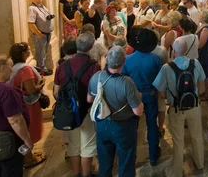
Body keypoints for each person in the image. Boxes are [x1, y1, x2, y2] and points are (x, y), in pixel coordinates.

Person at [87, 46, 144, 177]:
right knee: (126, 163)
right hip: (123, 127)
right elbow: (138, 112)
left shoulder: (96, 77)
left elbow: (89, 99)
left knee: (104, 163)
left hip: (102, 124)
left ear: (107, 60)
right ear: (123, 62)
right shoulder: (126, 82)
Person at [153, 38, 206, 177]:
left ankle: (175, 171)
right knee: (197, 136)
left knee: (178, 141)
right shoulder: (196, 63)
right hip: (194, 107)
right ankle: (200, 162)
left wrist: (169, 98)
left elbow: (161, 92)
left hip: (176, 109)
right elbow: (201, 88)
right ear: (187, 49)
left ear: (174, 51)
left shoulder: (166, 68)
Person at [54, 32, 101, 177]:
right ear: (91, 46)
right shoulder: (94, 66)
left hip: (69, 111)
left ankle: (76, 173)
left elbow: (56, 93)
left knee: (74, 145)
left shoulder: (62, 66)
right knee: (88, 143)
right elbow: (97, 93)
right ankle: (87, 173)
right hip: (86, 111)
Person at [122, 29, 163, 166]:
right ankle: (153, 155)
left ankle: (132, 157)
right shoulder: (156, 59)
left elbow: (124, 80)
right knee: (152, 125)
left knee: (132, 127)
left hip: (134, 95)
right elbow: (159, 79)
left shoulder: (127, 60)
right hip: (150, 94)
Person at [8, 43, 46, 168]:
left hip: (19, 102)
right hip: (28, 105)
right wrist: (41, 84)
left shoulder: (13, 68)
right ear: (24, 54)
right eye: (28, 50)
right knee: (29, 130)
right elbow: (31, 89)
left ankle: (26, 156)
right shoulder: (26, 70)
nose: (30, 51)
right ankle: (28, 159)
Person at [27, 0, 54, 76]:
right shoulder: (32, 8)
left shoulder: (42, 6)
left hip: (47, 34)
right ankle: (41, 70)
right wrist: (38, 33)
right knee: (40, 53)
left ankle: (44, 68)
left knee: (44, 52)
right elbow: (30, 23)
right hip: (41, 35)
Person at [197, 11, 208, 100]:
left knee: (205, 74)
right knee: (204, 73)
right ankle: (205, 91)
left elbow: (201, 44)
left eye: (200, 15)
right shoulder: (204, 27)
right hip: (203, 52)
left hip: (204, 53)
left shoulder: (205, 29)